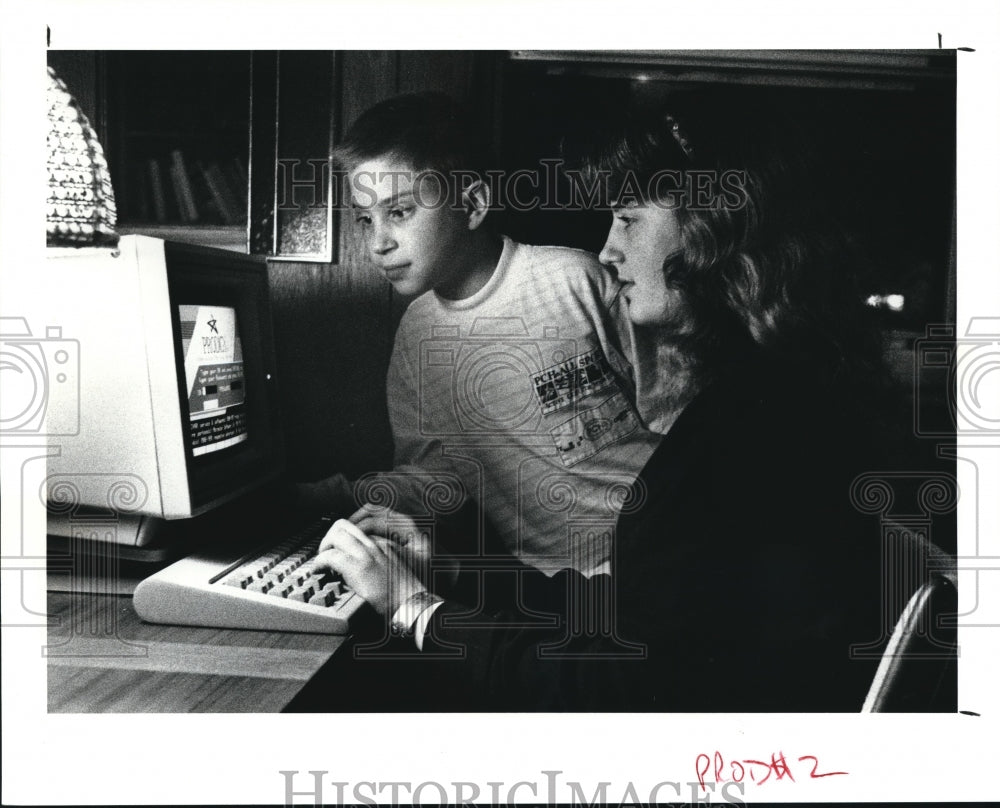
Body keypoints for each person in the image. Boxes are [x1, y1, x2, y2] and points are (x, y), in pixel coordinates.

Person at [309, 98, 896, 712]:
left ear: (710, 228)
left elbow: (620, 680)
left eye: (629, 219)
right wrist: (454, 573)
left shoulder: (745, 433)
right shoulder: (769, 398)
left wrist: (414, 610)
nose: (609, 251)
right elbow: (644, 613)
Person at [299, 92, 687, 578]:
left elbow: (678, 414)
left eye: (399, 212)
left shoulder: (574, 279)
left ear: (473, 204)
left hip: (664, 554)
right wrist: (341, 495)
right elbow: (440, 476)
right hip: (554, 589)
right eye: (365, 218)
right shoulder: (416, 337)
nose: (379, 242)